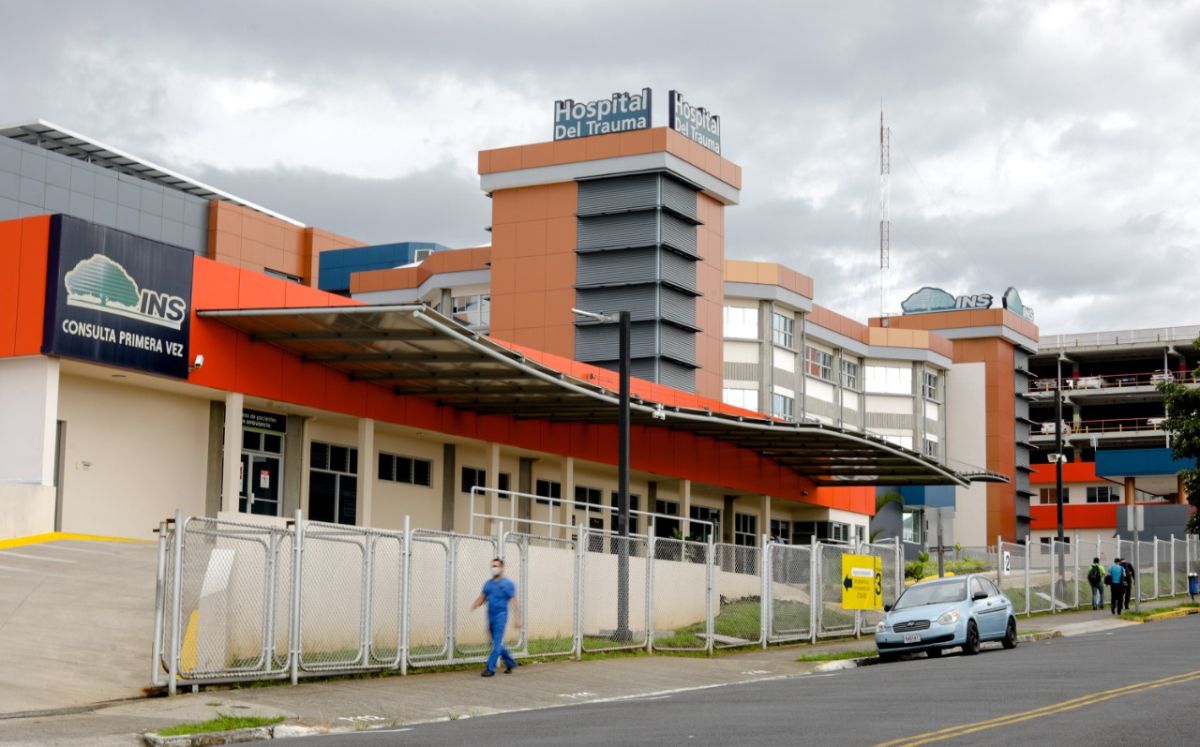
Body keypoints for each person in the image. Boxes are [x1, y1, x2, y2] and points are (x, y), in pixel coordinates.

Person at [471, 557, 521, 677]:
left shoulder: (508, 584)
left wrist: (517, 619)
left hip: (501, 616)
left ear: (502, 567)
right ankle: (511, 662)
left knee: (497, 642)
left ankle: (490, 668)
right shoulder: (488, 584)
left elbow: (514, 602)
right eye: (492, 566)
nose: (494, 568)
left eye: (496, 566)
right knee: (496, 643)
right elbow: (482, 597)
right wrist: (475, 604)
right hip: (490, 615)